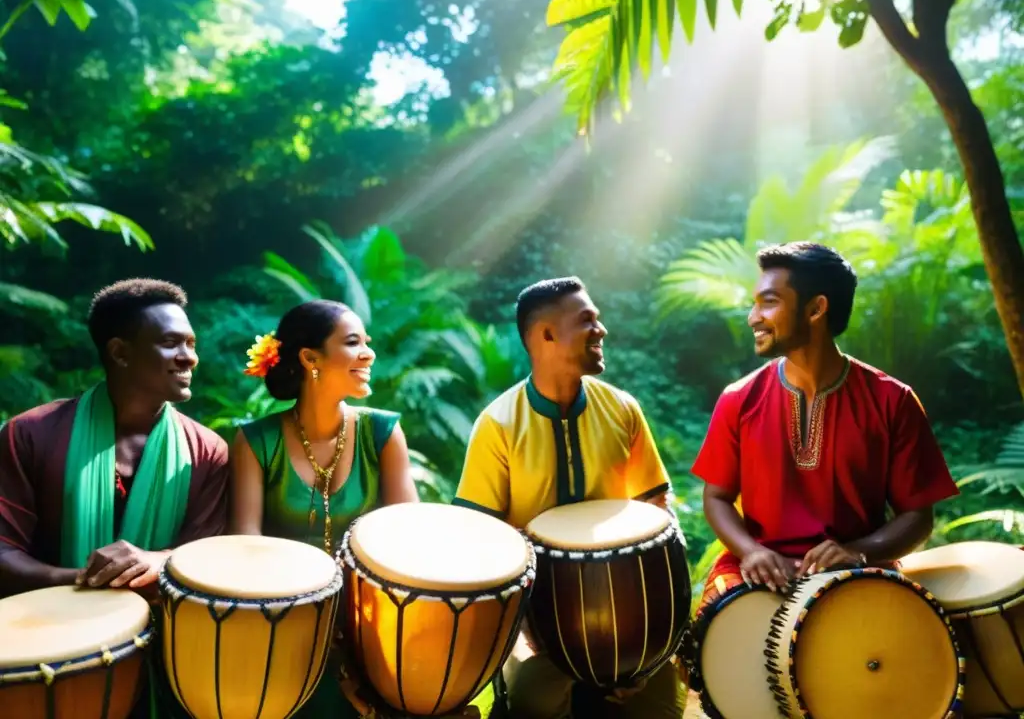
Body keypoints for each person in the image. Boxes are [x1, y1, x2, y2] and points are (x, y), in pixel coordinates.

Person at [453, 277, 686, 719]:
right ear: (545, 335)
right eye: (587, 321)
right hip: (536, 620)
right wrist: (530, 631)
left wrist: (649, 635)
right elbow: (482, 543)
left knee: (662, 699)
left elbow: (657, 510)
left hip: (629, 612)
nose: (601, 331)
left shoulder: (621, 408)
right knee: (531, 695)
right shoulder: (497, 425)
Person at [0, 279, 229, 719]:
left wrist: (159, 561)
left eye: (191, 343)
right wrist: (83, 581)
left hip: (168, 666)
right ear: (120, 352)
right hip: (40, 661)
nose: (189, 357)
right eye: (170, 343)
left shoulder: (207, 452)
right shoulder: (31, 434)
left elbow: (208, 559)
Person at [690, 242, 960, 614]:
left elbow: (917, 516)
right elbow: (716, 497)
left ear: (816, 309)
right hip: (757, 569)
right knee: (720, 639)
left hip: (858, 570)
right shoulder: (738, 399)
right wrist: (752, 551)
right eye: (755, 304)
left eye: (769, 303)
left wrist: (857, 552)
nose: (753, 317)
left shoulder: (892, 401)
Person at [229, 299, 438, 719]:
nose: (369, 352)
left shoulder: (382, 432)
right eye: (353, 342)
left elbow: (408, 537)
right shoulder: (255, 441)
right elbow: (244, 547)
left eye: (367, 342)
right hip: (282, 618)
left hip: (373, 620)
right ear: (310, 358)